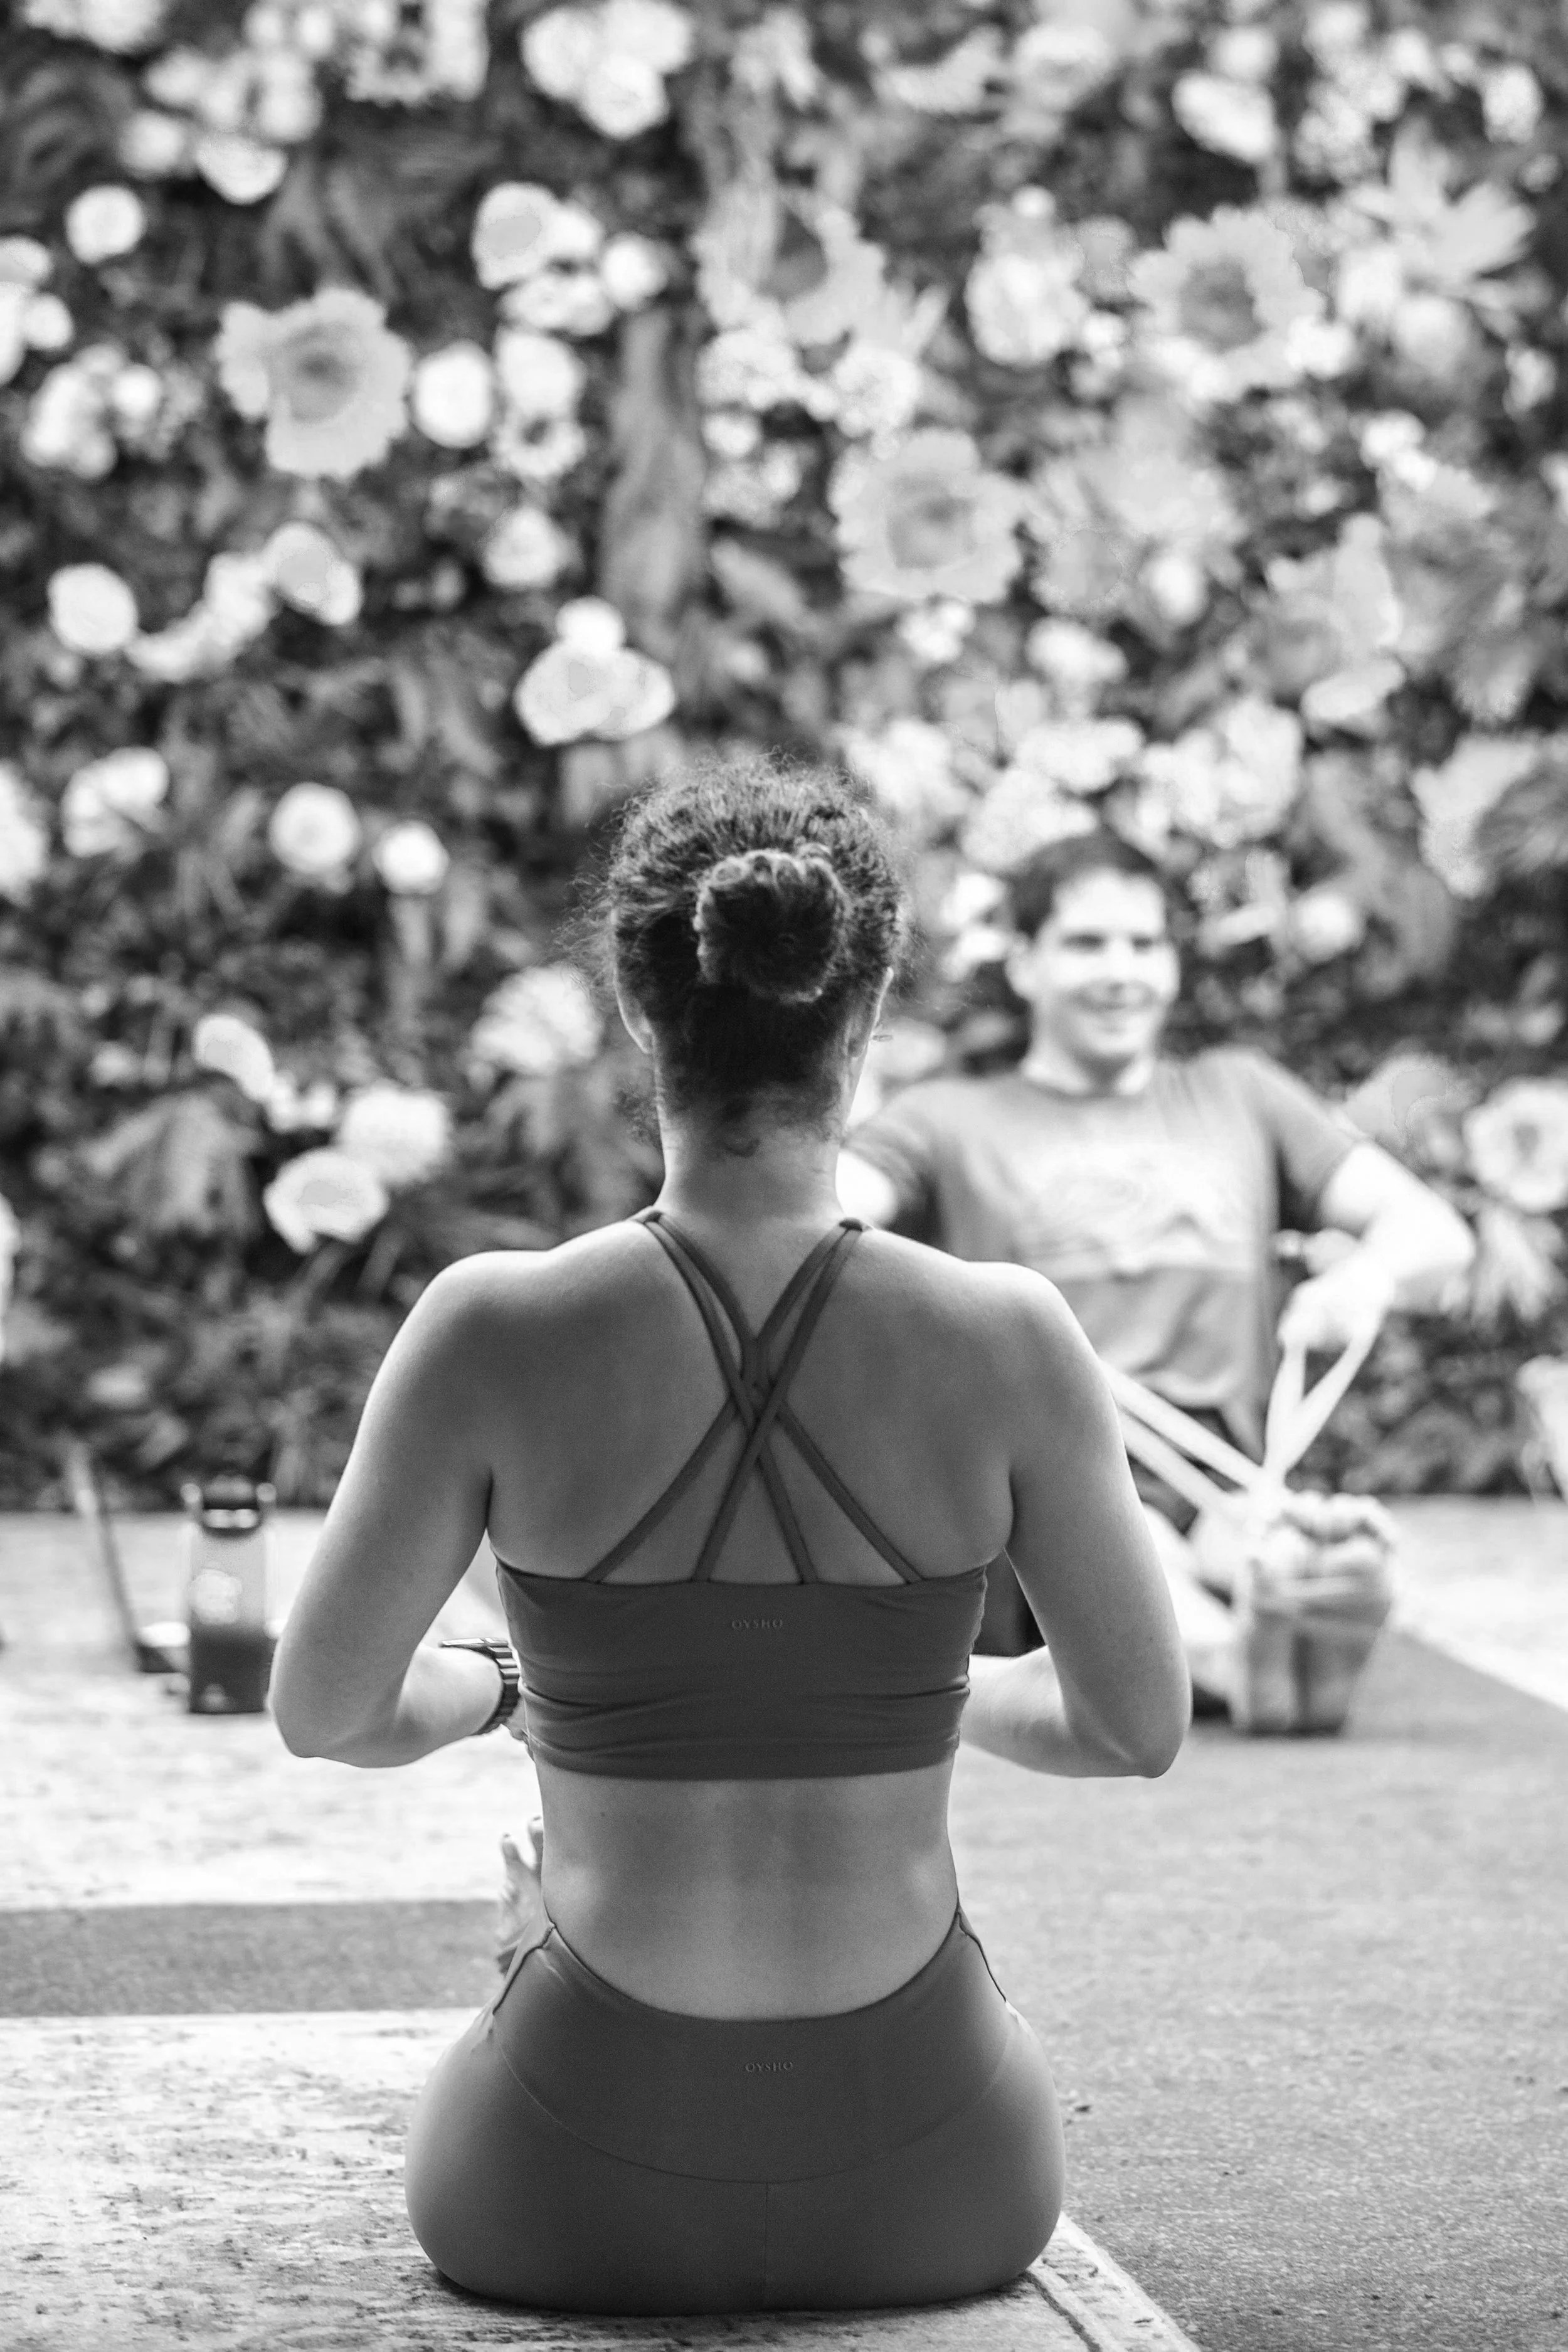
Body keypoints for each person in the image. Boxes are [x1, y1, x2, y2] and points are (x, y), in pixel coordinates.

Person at [269, 756, 1190, 2318]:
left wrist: (510, 1687)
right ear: (869, 1010)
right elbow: (1129, 1726)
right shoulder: (1008, 1335)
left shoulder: (489, 1326)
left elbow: (329, 1710)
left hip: (553, 2182)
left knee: (510, 1984)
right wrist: (887, 1699)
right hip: (942, 2171)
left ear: (639, 1017)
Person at [839, 828, 1476, 1713]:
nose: (1122, 971)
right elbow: (818, 1220)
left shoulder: (1242, 1093)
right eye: (1087, 943)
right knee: (1130, 1544)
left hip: (1227, 1476)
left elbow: (1434, 1232)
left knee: (1285, 1548)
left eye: (1144, 944)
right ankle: (1231, 1659)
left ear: (1174, 964)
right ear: (1023, 964)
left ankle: (1281, 1607)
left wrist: (1359, 1282)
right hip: (1042, 1489)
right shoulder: (945, 1119)